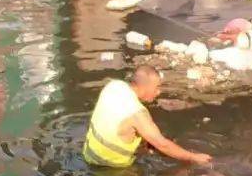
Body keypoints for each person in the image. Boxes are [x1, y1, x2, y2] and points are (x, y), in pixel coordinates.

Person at [83, 66, 211, 168]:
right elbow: (163, 145)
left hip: (89, 155)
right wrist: (193, 157)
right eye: (156, 87)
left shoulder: (114, 86)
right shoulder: (137, 114)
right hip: (110, 169)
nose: (158, 92)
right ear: (146, 86)